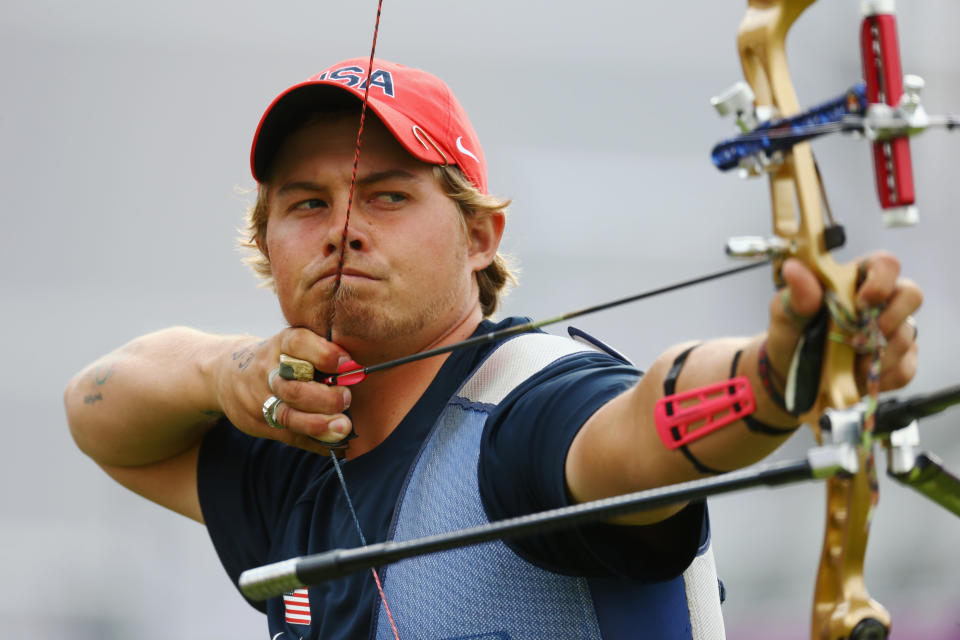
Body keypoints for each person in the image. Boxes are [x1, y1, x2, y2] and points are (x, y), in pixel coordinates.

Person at [64, 58, 921, 640]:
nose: (342, 231)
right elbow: (98, 410)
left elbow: (641, 434)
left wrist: (775, 378)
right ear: (268, 241)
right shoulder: (294, 454)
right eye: (306, 204)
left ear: (479, 236)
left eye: (388, 196)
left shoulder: (529, 412)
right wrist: (224, 371)